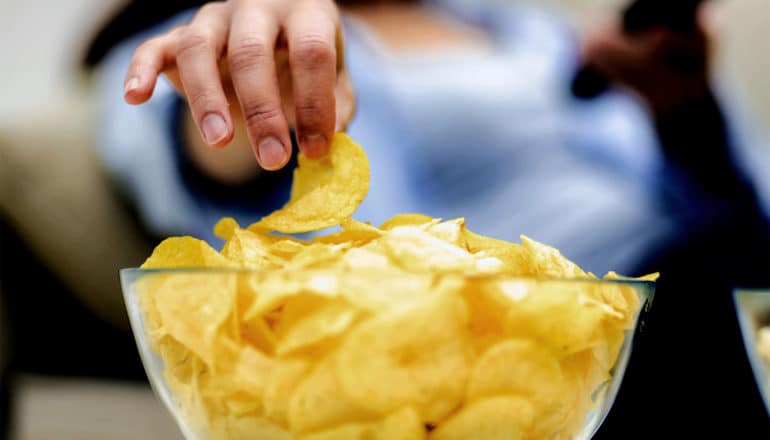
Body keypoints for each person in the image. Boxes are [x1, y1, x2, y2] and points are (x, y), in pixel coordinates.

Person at [2, 0, 769, 437]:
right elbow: (221, 170)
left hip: (728, 268)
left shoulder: (523, 30)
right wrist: (254, 113)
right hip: (598, 339)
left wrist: (687, 117)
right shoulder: (216, 34)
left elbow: (744, 208)